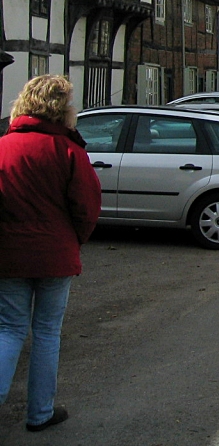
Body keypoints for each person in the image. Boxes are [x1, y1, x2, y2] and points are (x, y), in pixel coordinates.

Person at [0, 75, 101, 432]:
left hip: (9, 254)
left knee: (9, 330)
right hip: (55, 254)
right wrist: (75, 239)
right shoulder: (69, 150)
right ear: (63, 109)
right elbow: (87, 206)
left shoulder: (3, 147)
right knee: (46, 332)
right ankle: (40, 412)